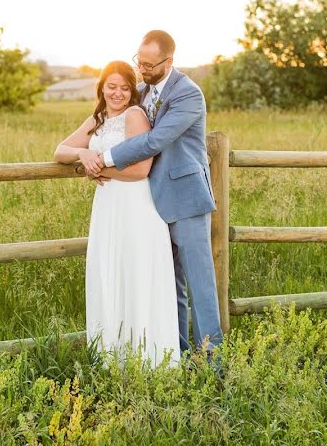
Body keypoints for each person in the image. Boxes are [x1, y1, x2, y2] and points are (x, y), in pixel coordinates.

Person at [80, 30, 223, 357]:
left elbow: (156, 140)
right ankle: (178, 354)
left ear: (168, 61)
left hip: (185, 198)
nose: (141, 70)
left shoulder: (188, 95)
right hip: (148, 204)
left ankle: (213, 363)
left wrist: (106, 160)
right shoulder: (141, 90)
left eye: (147, 64)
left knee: (200, 288)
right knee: (170, 288)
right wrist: (87, 156)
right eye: (138, 61)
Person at [54, 60, 180, 368]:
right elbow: (60, 151)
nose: (118, 93)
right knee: (109, 271)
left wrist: (98, 167)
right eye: (111, 87)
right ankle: (112, 356)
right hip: (108, 207)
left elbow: (140, 169)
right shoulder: (97, 118)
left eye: (125, 88)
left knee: (134, 273)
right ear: (101, 88)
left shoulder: (134, 116)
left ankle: (146, 359)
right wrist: (83, 154)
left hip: (136, 208)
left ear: (132, 91)